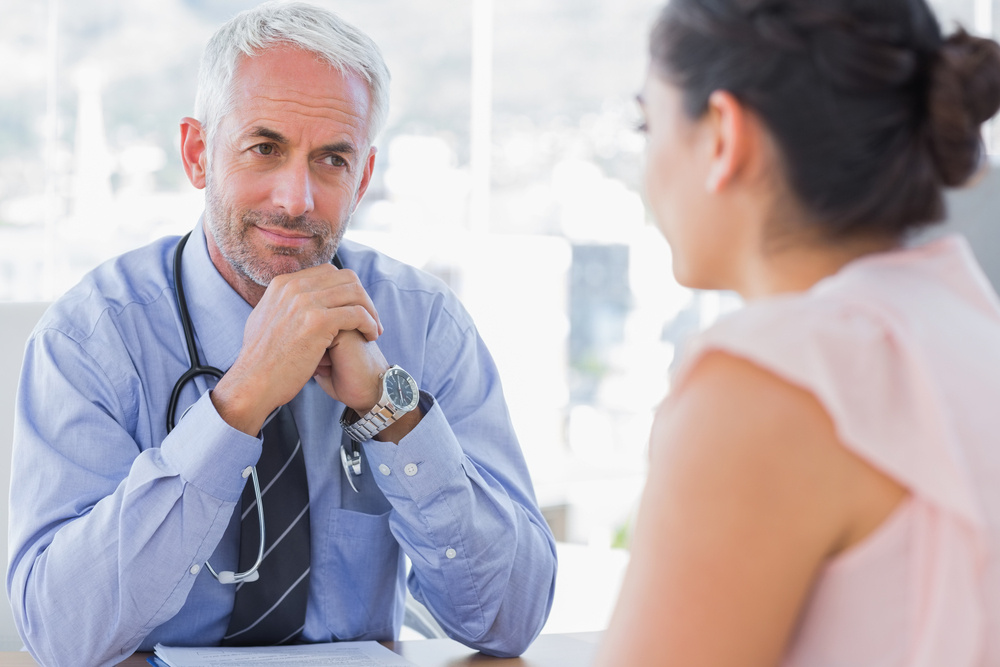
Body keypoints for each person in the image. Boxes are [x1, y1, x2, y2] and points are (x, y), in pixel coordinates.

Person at [6, 3, 557, 665]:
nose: (296, 198)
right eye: (264, 147)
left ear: (365, 177)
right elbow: (60, 634)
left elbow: (508, 618)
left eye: (331, 159)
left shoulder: (425, 325)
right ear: (197, 152)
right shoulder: (89, 339)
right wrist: (236, 405)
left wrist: (392, 413)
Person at [595, 0, 1000, 665]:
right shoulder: (968, 322)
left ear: (723, 134)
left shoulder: (771, 379)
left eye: (648, 123)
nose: (646, 166)